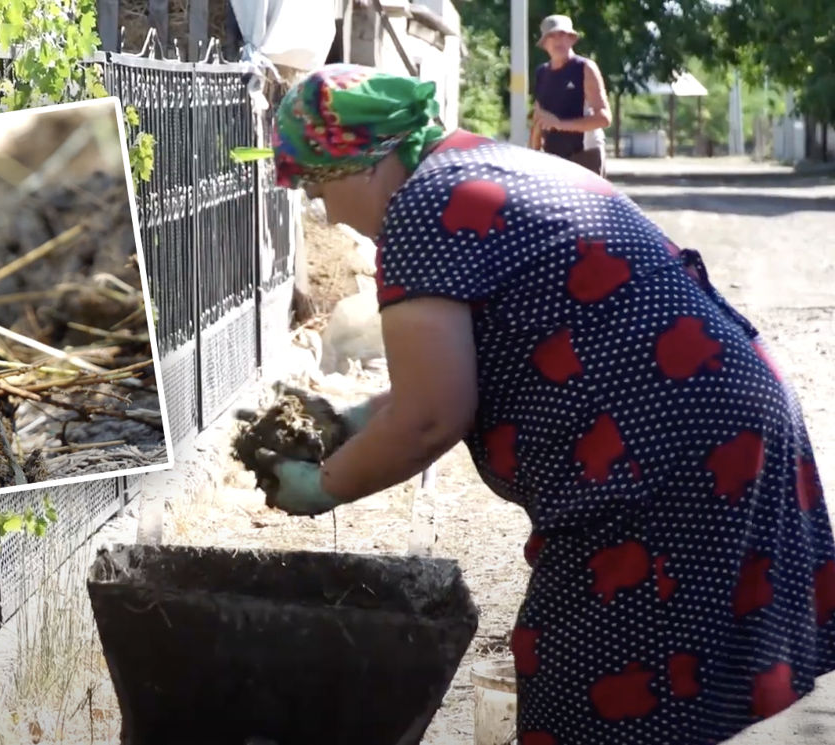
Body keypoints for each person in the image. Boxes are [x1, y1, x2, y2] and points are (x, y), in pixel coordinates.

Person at [255, 63, 835, 745]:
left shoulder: (420, 210)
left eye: (320, 185)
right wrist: (353, 421)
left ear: (368, 160)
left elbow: (432, 416)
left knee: (591, 698)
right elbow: (440, 377)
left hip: (667, 460)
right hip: (720, 419)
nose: (329, 213)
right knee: (638, 704)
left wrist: (322, 486)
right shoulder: (481, 165)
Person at [530, 14, 611, 176]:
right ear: (544, 43)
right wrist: (532, 154)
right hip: (553, 157)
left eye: (563, 35)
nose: (558, 40)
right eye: (551, 36)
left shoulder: (585, 68)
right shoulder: (541, 73)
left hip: (585, 154)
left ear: (572, 39)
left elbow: (604, 118)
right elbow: (539, 118)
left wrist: (560, 124)